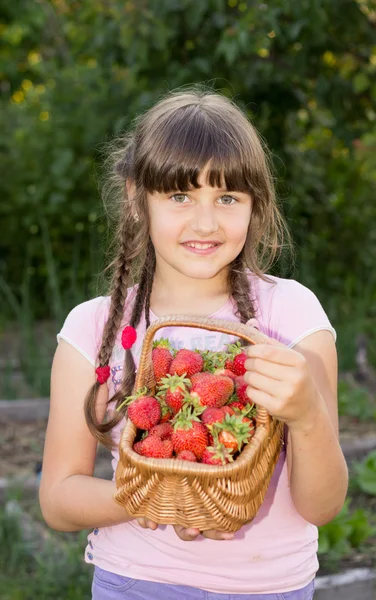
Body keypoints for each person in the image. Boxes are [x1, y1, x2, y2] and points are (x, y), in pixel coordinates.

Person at [39, 87, 348, 600]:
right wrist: (167, 495)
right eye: (180, 196)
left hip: (269, 588)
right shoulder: (94, 330)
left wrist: (308, 415)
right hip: (136, 582)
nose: (206, 222)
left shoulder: (291, 317)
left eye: (227, 198)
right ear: (139, 200)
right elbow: (58, 499)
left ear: (254, 206)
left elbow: (322, 505)